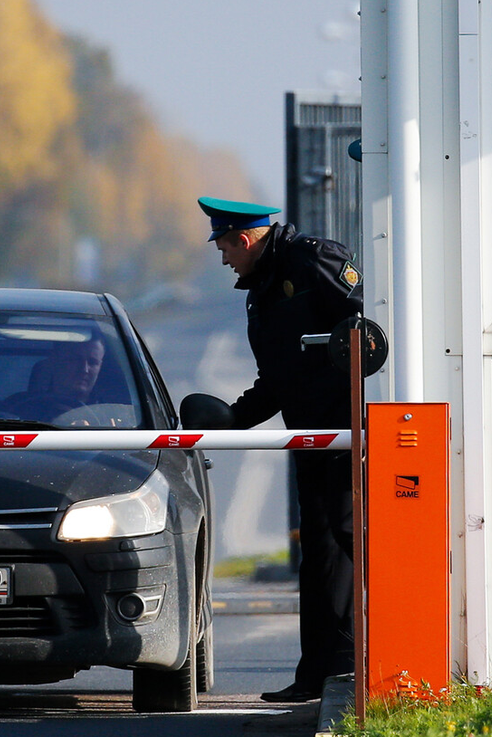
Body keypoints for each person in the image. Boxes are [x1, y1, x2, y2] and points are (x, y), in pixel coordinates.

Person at [198, 195, 362, 704]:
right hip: (311, 438)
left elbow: (374, 326)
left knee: (347, 543)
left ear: (244, 240)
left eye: (225, 247)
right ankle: (318, 672)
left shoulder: (315, 261)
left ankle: (359, 664)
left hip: (349, 434)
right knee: (319, 554)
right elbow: (279, 378)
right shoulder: (263, 289)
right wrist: (234, 419)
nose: (224, 258)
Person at [5, 335, 105, 422]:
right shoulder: (17, 409)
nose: (84, 369)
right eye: (74, 360)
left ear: (100, 366)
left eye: (92, 362)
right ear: (54, 361)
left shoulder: (110, 414)